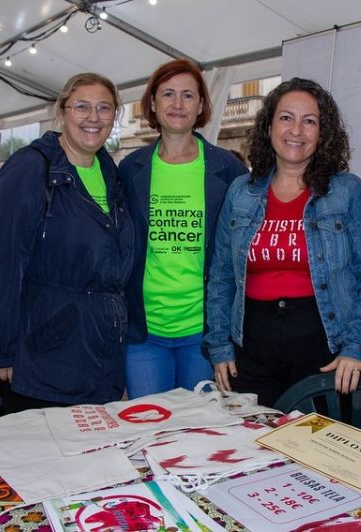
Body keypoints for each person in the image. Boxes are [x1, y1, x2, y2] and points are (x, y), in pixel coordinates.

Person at [204, 78, 361, 407]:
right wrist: (220, 346)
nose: (296, 130)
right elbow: (222, 274)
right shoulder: (240, 191)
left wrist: (356, 346)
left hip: (325, 348)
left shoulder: (348, 191)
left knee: (319, 453)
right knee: (253, 449)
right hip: (250, 348)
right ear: (269, 126)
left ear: (322, 133)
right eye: (286, 117)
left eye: (309, 121)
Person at [0, 72, 134, 412]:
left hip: (100, 353)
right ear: (61, 112)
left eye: (104, 108)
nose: (93, 117)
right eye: (82, 106)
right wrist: (0, 347)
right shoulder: (30, 170)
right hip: (45, 354)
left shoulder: (110, 174)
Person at [119, 59, 248, 399]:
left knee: (198, 436)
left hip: (204, 333)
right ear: (152, 103)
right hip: (144, 333)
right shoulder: (131, 167)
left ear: (202, 105)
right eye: (168, 94)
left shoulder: (228, 168)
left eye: (188, 95)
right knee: (148, 431)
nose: (177, 105)